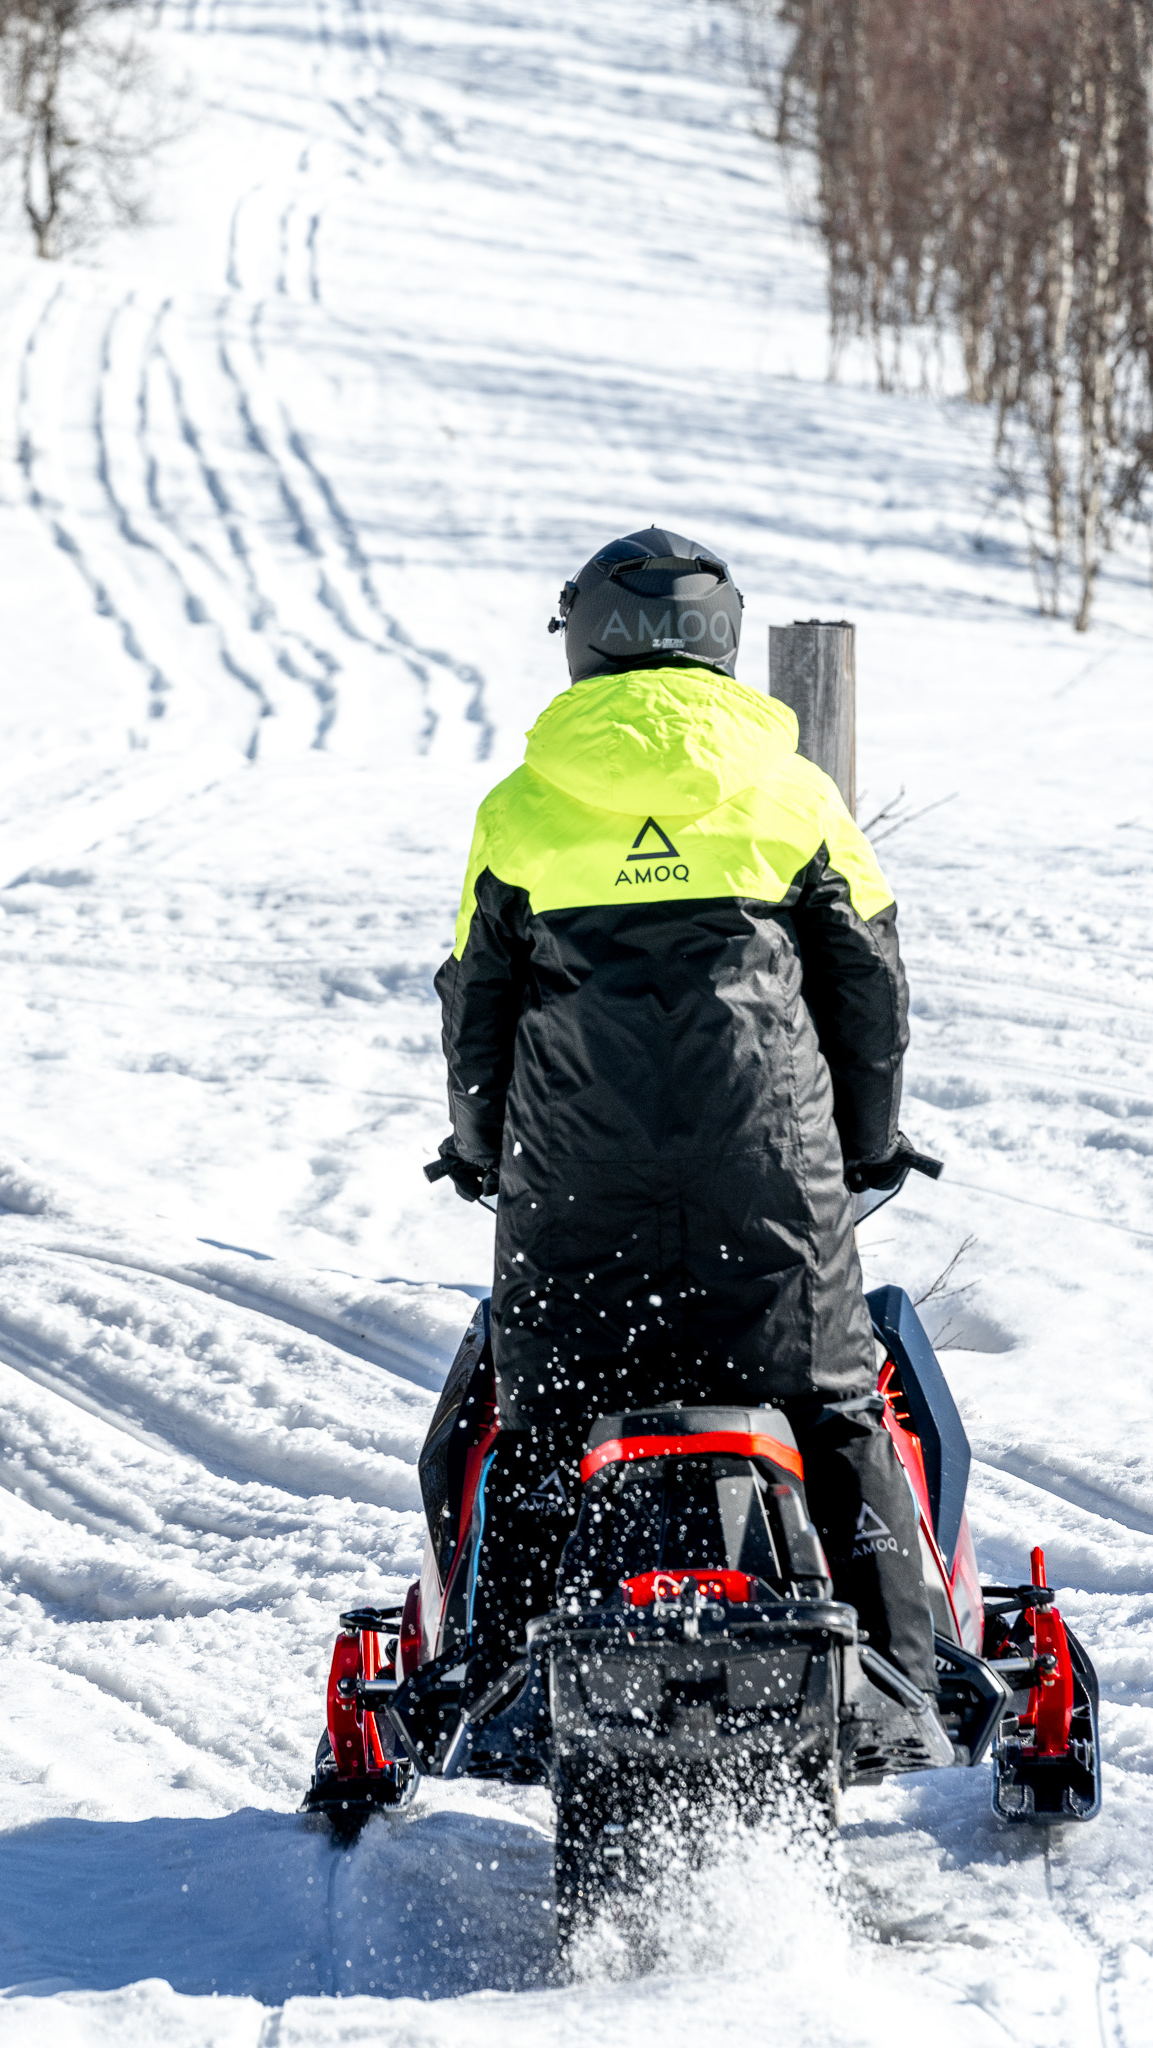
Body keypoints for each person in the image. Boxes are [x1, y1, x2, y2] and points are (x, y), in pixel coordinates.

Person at [432, 527, 941, 1717]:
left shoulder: (520, 808)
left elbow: (478, 1002)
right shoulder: (793, 791)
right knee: (834, 1411)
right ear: (723, 638)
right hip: (771, 1188)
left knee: (546, 1424)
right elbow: (868, 988)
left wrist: (480, 1145)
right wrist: (866, 1140)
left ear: (587, 639)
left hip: (573, 1191)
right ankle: (905, 1677)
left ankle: (494, 1679)